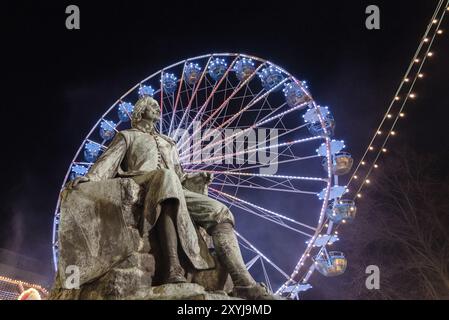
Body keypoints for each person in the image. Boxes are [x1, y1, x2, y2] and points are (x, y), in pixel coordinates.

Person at [67, 96, 275, 299]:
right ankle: (172, 267)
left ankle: (243, 283)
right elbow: (107, 162)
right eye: (153, 106)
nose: (158, 109)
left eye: (158, 107)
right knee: (167, 178)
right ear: (141, 111)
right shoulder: (127, 136)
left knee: (220, 212)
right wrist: (90, 178)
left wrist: (197, 178)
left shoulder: (169, 143)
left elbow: (180, 175)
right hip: (142, 182)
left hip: (174, 186)